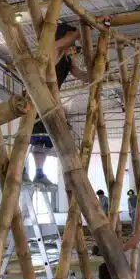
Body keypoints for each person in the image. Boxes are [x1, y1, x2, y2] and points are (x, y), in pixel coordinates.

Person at [30, 22, 89, 185]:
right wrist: (75, 35)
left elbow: (78, 73)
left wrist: (93, 75)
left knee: (47, 139)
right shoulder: (51, 49)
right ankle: (33, 172)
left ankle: (39, 172)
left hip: (51, 99)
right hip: (38, 95)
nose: (74, 44)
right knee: (38, 137)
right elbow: (54, 53)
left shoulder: (68, 55)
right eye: (71, 38)